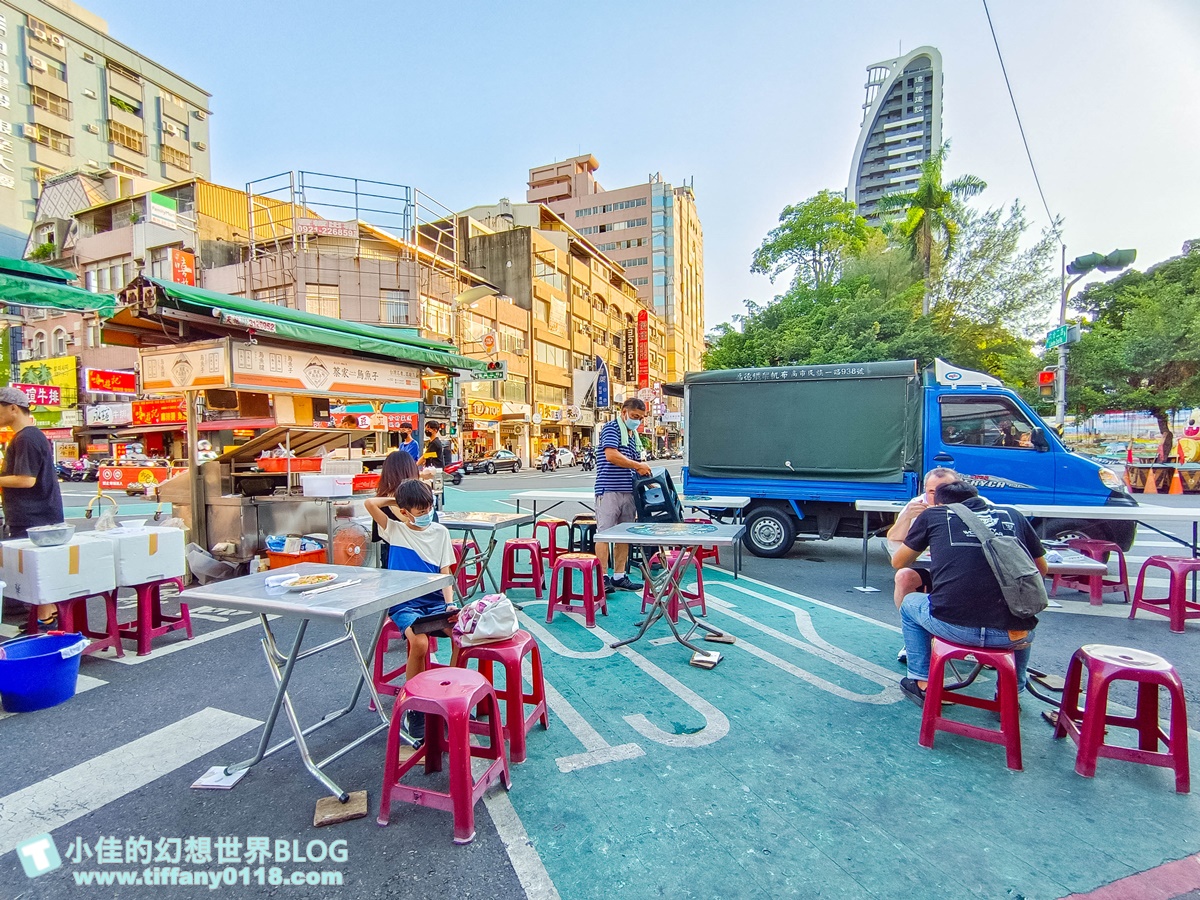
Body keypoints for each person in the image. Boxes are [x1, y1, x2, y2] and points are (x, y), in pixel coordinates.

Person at [891, 479, 1049, 706]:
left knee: (910, 603)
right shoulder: (1013, 515)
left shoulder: (934, 516)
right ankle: (1010, 693)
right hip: (1012, 636)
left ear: (938, 503)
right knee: (1022, 617)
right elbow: (1041, 569)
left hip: (954, 627)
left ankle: (922, 682)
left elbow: (899, 562)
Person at [365, 479, 458, 743]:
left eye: (429, 507)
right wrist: (398, 501)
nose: (427, 513)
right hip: (405, 602)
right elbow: (370, 503)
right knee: (419, 643)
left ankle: (449, 697)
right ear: (404, 512)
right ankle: (415, 705)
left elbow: (445, 572)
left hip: (436, 601)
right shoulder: (394, 530)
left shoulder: (440, 532)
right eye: (420, 510)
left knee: (460, 636)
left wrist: (449, 604)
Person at [0, 386, 65, 627]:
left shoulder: (26, 437)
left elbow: (26, 480)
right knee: (36, 568)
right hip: (38, 515)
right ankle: (49, 614)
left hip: (32, 517)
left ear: (13, 409)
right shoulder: (30, 436)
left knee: (32, 569)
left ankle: (45, 618)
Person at [886, 468, 961, 664]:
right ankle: (913, 639)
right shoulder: (918, 506)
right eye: (932, 492)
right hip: (931, 568)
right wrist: (906, 517)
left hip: (964, 573)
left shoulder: (975, 505)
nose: (937, 497)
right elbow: (894, 541)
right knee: (904, 576)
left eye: (944, 489)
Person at [594, 398, 652, 592]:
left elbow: (637, 466)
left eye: (641, 418)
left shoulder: (633, 435)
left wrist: (652, 483)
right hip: (609, 489)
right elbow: (611, 455)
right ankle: (602, 577)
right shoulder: (612, 429)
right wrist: (638, 466)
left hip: (628, 490)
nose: (637, 421)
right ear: (623, 412)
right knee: (603, 534)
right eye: (635, 416)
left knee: (623, 535)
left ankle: (619, 576)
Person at [373, 450, 421, 565]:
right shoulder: (421, 497)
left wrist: (393, 501)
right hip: (421, 555)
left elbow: (380, 535)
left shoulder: (380, 502)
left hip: (392, 557)